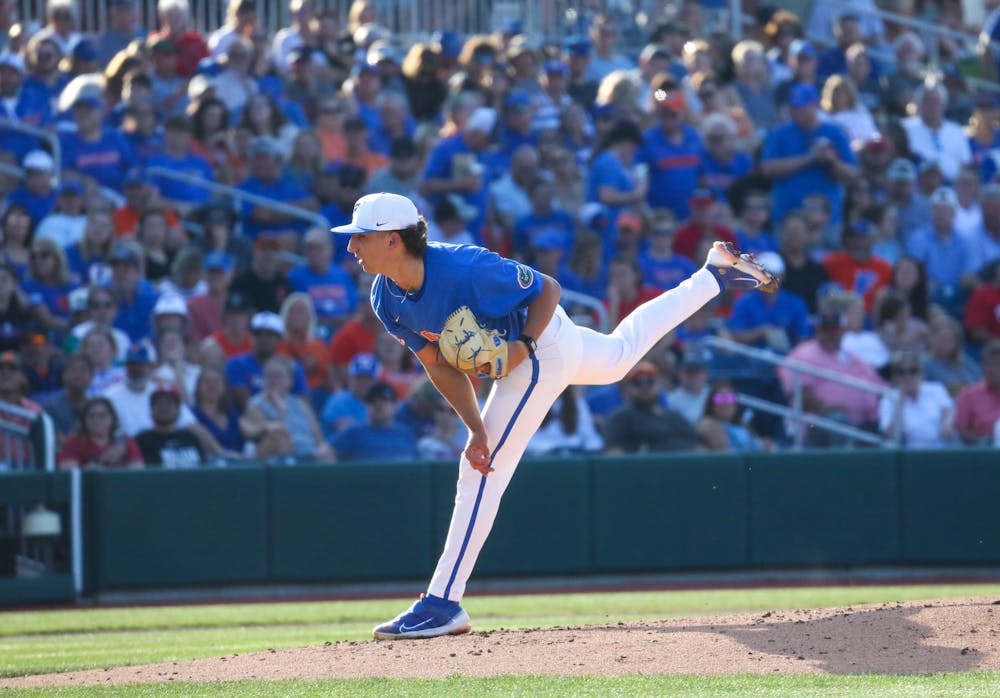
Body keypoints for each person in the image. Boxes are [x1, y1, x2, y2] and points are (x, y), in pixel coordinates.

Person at [331, 192, 775, 639]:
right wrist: (476, 428)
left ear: (393, 240)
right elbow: (438, 365)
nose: (351, 247)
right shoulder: (385, 297)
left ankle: (443, 602)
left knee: (482, 472)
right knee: (619, 356)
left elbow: (548, 289)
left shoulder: (465, 268)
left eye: (360, 238)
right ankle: (714, 276)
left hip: (540, 347)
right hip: (538, 347)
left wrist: (521, 346)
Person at [239, 355, 332, 461]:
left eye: (278, 376)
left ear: (291, 380)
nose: (273, 380)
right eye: (269, 376)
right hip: (279, 457)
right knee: (281, 437)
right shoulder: (255, 404)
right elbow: (269, 435)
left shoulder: (300, 404)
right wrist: (280, 410)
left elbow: (318, 436)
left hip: (310, 454)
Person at [878, 350, 955, 448]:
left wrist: (946, 425)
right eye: (901, 372)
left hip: (939, 449)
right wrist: (900, 404)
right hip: (908, 454)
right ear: (895, 376)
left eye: (913, 371)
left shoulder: (936, 389)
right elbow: (889, 434)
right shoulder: (889, 399)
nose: (908, 376)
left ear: (921, 372)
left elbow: (948, 411)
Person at [329, 380, 417, 461]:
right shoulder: (354, 433)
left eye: (384, 401)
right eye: (372, 401)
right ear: (366, 406)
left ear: (395, 406)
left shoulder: (406, 433)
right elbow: (324, 455)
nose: (378, 405)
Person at [57, 397, 143, 469]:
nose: (96, 421)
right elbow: (68, 470)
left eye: (102, 416)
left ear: (112, 419)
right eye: (91, 416)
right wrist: (102, 461)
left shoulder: (125, 442)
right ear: (84, 420)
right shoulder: (73, 443)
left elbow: (137, 469)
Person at [135, 383, 208, 468]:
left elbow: (204, 466)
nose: (163, 407)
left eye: (169, 403)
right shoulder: (142, 440)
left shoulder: (190, 437)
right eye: (159, 403)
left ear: (178, 410)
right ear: (151, 410)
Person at [954, 339, 1000, 445]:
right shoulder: (969, 394)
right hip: (982, 454)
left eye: (996, 364)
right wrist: (984, 442)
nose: (991, 369)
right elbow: (960, 430)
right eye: (987, 364)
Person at [696, 379, 761, 452]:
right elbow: (725, 454)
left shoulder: (744, 426)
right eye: (719, 399)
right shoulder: (708, 424)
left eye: (730, 398)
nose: (725, 403)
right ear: (711, 404)